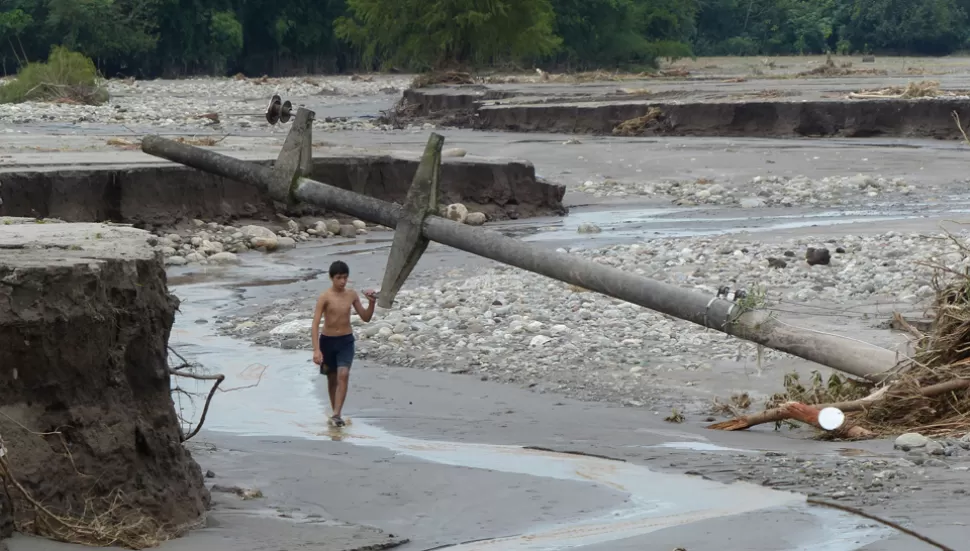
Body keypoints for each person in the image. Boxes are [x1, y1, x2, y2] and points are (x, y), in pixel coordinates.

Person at [311, 260, 376, 427]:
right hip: (327, 341)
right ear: (331, 278)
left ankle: (337, 414)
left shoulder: (351, 295)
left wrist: (371, 302)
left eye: (345, 278)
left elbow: (366, 317)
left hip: (346, 341)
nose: (342, 281)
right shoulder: (325, 297)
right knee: (332, 379)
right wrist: (316, 350)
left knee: (343, 374)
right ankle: (335, 414)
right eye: (339, 278)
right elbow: (315, 323)